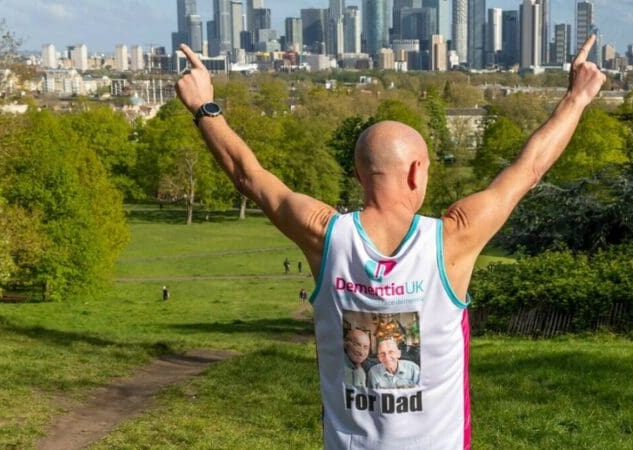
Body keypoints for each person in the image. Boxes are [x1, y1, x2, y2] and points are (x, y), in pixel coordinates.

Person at [175, 34, 605, 449]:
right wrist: (577, 97)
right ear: (417, 172)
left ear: (359, 174)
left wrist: (203, 106)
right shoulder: (452, 239)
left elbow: (249, 175)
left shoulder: (325, 236)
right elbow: (528, 170)